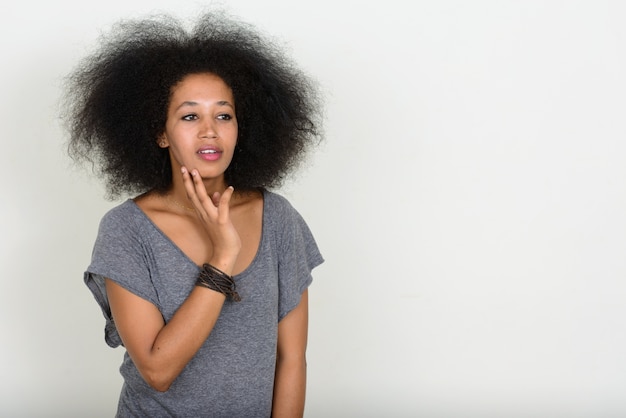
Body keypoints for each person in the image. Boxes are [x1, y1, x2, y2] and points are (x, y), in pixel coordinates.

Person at [62, 11, 324, 418]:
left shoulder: (277, 218)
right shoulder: (127, 229)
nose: (210, 131)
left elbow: (292, 358)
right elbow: (158, 369)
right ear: (161, 133)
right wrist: (222, 256)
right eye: (189, 116)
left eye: (224, 115)